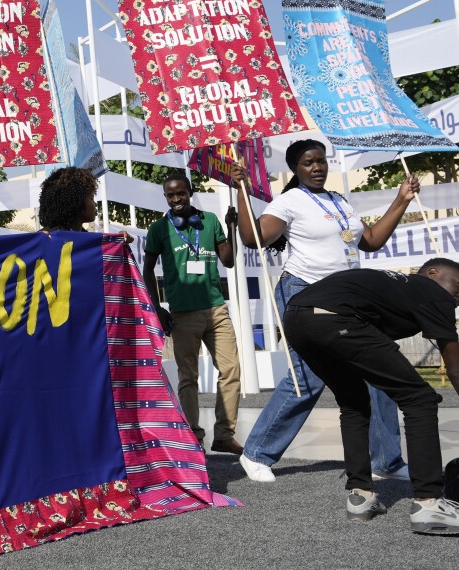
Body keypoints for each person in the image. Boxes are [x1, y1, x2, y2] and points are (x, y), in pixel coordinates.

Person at [233, 139, 420, 483]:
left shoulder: (339, 201)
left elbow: (372, 240)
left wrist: (401, 200)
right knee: (309, 374)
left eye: (320, 161)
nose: (317, 167)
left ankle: (386, 461)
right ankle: (257, 452)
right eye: (308, 162)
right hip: (303, 292)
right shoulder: (289, 201)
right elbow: (254, 238)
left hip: (347, 298)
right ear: (296, 168)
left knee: (377, 369)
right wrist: (241, 192)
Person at [282, 260, 459, 533]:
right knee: (420, 399)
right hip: (336, 317)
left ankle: (360, 496)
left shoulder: (397, 287)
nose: (458, 295)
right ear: (432, 273)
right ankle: (429, 504)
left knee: (353, 402)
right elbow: (454, 365)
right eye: (458, 285)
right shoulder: (433, 291)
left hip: (296, 317)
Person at [142, 174, 243, 455]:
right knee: (188, 377)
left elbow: (229, 261)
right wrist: (156, 308)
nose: (175, 200)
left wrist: (232, 227)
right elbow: (147, 270)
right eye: (170, 196)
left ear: (190, 192)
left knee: (231, 370)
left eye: (180, 194)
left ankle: (224, 434)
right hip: (182, 314)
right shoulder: (160, 228)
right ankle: (193, 437)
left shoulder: (209, 220)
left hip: (216, 308)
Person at [37, 166, 99, 233]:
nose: (95, 204)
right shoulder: (44, 240)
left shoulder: (91, 240)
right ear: (76, 202)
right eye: (91, 198)